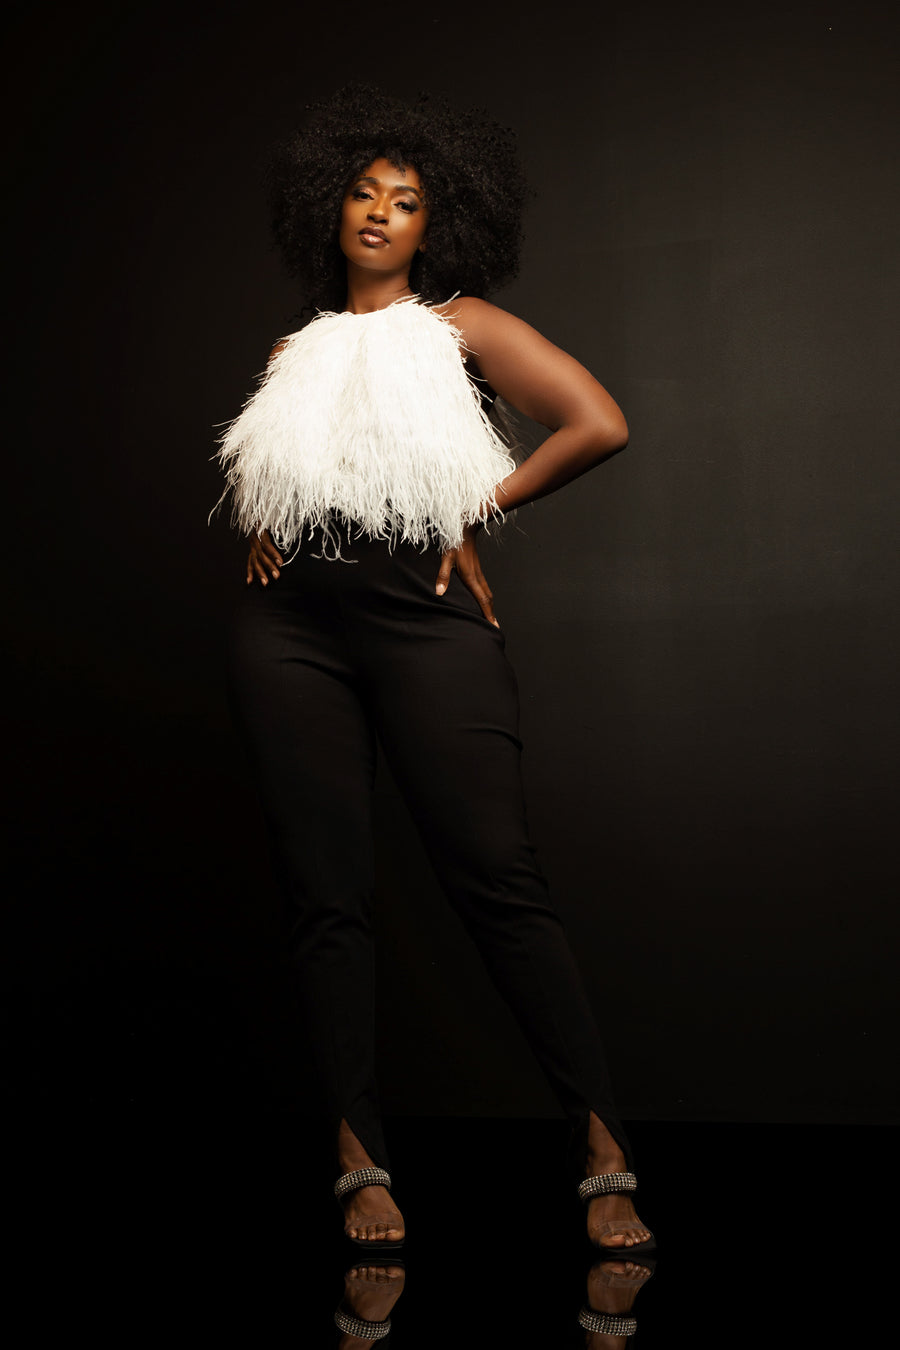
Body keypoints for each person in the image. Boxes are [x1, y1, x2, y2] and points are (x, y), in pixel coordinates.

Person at [217, 85, 654, 1254]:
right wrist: (268, 521)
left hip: (425, 620)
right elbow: (282, 473)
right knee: (326, 893)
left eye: (404, 200)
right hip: (287, 628)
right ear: (330, 208)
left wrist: (472, 508)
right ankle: (357, 1158)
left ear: (434, 224)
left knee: (497, 879)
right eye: (362, 192)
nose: (378, 212)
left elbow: (597, 422)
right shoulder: (295, 350)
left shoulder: (464, 327)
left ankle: (601, 1148)